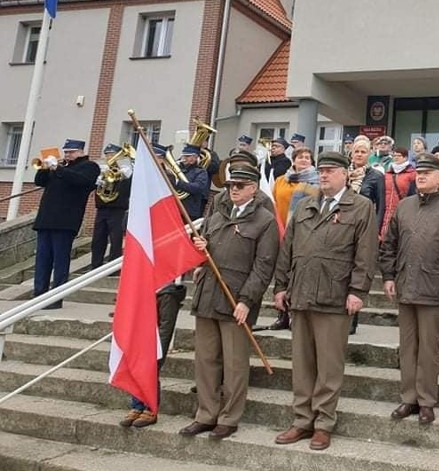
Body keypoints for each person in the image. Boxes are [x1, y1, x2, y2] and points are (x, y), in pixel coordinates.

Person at [273, 152, 378, 451]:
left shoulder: (360, 207)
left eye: (331, 171)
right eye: (323, 171)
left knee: (329, 367)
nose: (324, 175)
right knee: (302, 364)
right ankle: (301, 420)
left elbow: (366, 253)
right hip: (302, 294)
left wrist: (358, 291)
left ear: (345, 174)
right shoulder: (305, 204)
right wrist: (281, 286)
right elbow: (287, 249)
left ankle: (323, 424)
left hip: (334, 297)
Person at [179, 163, 278, 440]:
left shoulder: (264, 221)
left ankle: (229, 417)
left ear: (254, 189)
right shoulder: (218, 214)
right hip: (208, 293)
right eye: (231, 186)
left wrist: (247, 300)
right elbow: (205, 244)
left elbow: (264, 266)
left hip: (236, 299)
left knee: (234, 364)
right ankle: (206, 414)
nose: (233, 190)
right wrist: (200, 249)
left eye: (240, 186)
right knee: (206, 360)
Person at [379, 153, 439, 426]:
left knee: (429, 349)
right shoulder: (404, 206)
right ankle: (409, 398)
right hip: (405, 286)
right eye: (419, 172)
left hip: (434, 287)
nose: (420, 176)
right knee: (407, 347)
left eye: (427, 173)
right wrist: (388, 275)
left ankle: (427, 401)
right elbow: (389, 245)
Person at [31, 139, 100, 306]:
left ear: (81, 152)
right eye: (66, 152)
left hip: (65, 221)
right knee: (42, 260)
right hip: (46, 219)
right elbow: (40, 182)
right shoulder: (61, 167)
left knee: (60, 260)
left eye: (71, 152)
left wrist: (58, 168)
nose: (67, 155)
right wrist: (45, 168)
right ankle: (38, 295)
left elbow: (81, 181)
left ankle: (55, 299)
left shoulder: (89, 166)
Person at [120, 282, 186, 428]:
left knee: (150, 371)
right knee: (135, 368)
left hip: (155, 341)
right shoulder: (142, 286)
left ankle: (150, 408)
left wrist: (159, 350)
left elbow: (166, 327)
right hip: (139, 335)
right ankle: (137, 405)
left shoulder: (167, 294)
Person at [347, 137, 385, 335]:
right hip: (343, 227)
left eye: (363, 151)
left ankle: (353, 320)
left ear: (369, 154)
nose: (359, 154)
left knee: (358, 270)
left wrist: (376, 231)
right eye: (356, 151)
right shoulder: (344, 174)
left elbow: (381, 205)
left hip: (364, 227)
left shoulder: (376, 176)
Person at [91, 143, 132, 270]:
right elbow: (96, 186)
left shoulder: (125, 167)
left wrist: (120, 176)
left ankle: (113, 266)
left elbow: (128, 186)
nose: (109, 157)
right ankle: (96, 264)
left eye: (112, 154)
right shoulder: (102, 167)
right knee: (98, 238)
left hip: (117, 207)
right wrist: (98, 179)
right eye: (107, 154)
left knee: (116, 238)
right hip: (102, 206)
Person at [273, 148, 320, 223]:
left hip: (304, 226)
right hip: (280, 225)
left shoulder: (318, 182)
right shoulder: (280, 180)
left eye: (307, 158)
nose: (303, 160)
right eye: (300, 157)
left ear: (311, 162)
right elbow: (274, 203)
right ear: (293, 161)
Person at [379, 146, 416, 239]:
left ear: (405, 157)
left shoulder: (412, 174)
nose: (396, 157)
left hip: (402, 208)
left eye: (399, 155)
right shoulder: (387, 173)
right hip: (386, 209)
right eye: (394, 155)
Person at [174, 144, 211, 221]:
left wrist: (178, 183)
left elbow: (197, 188)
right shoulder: (177, 169)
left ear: (195, 158)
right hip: (175, 207)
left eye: (187, 156)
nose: (184, 158)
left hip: (190, 210)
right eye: (183, 156)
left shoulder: (201, 172)